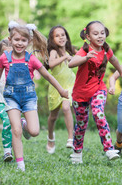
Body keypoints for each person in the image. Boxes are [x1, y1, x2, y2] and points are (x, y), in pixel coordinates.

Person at [0, 23, 69, 172]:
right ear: (10, 40)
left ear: (29, 42)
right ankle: (20, 164)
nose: (20, 43)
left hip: (29, 98)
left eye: (23, 40)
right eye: (17, 39)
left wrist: (61, 90)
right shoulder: (4, 58)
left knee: (34, 131)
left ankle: (25, 124)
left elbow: (47, 75)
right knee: (16, 130)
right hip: (11, 97)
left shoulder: (31, 59)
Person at [68, 21, 122, 164]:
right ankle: (77, 153)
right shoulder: (85, 50)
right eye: (96, 34)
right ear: (88, 37)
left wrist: (121, 72)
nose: (100, 36)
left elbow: (114, 60)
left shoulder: (106, 50)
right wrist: (85, 58)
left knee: (98, 112)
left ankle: (109, 148)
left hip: (98, 89)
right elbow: (71, 63)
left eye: (102, 33)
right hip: (80, 93)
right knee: (81, 124)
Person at [45, 25, 76, 154]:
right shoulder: (54, 52)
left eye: (63, 34)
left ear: (67, 37)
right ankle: (50, 137)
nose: (61, 37)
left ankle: (70, 138)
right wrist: (64, 58)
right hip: (56, 87)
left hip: (70, 85)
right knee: (53, 117)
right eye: (57, 36)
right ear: (52, 40)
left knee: (66, 107)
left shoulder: (71, 50)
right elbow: (51, 64)